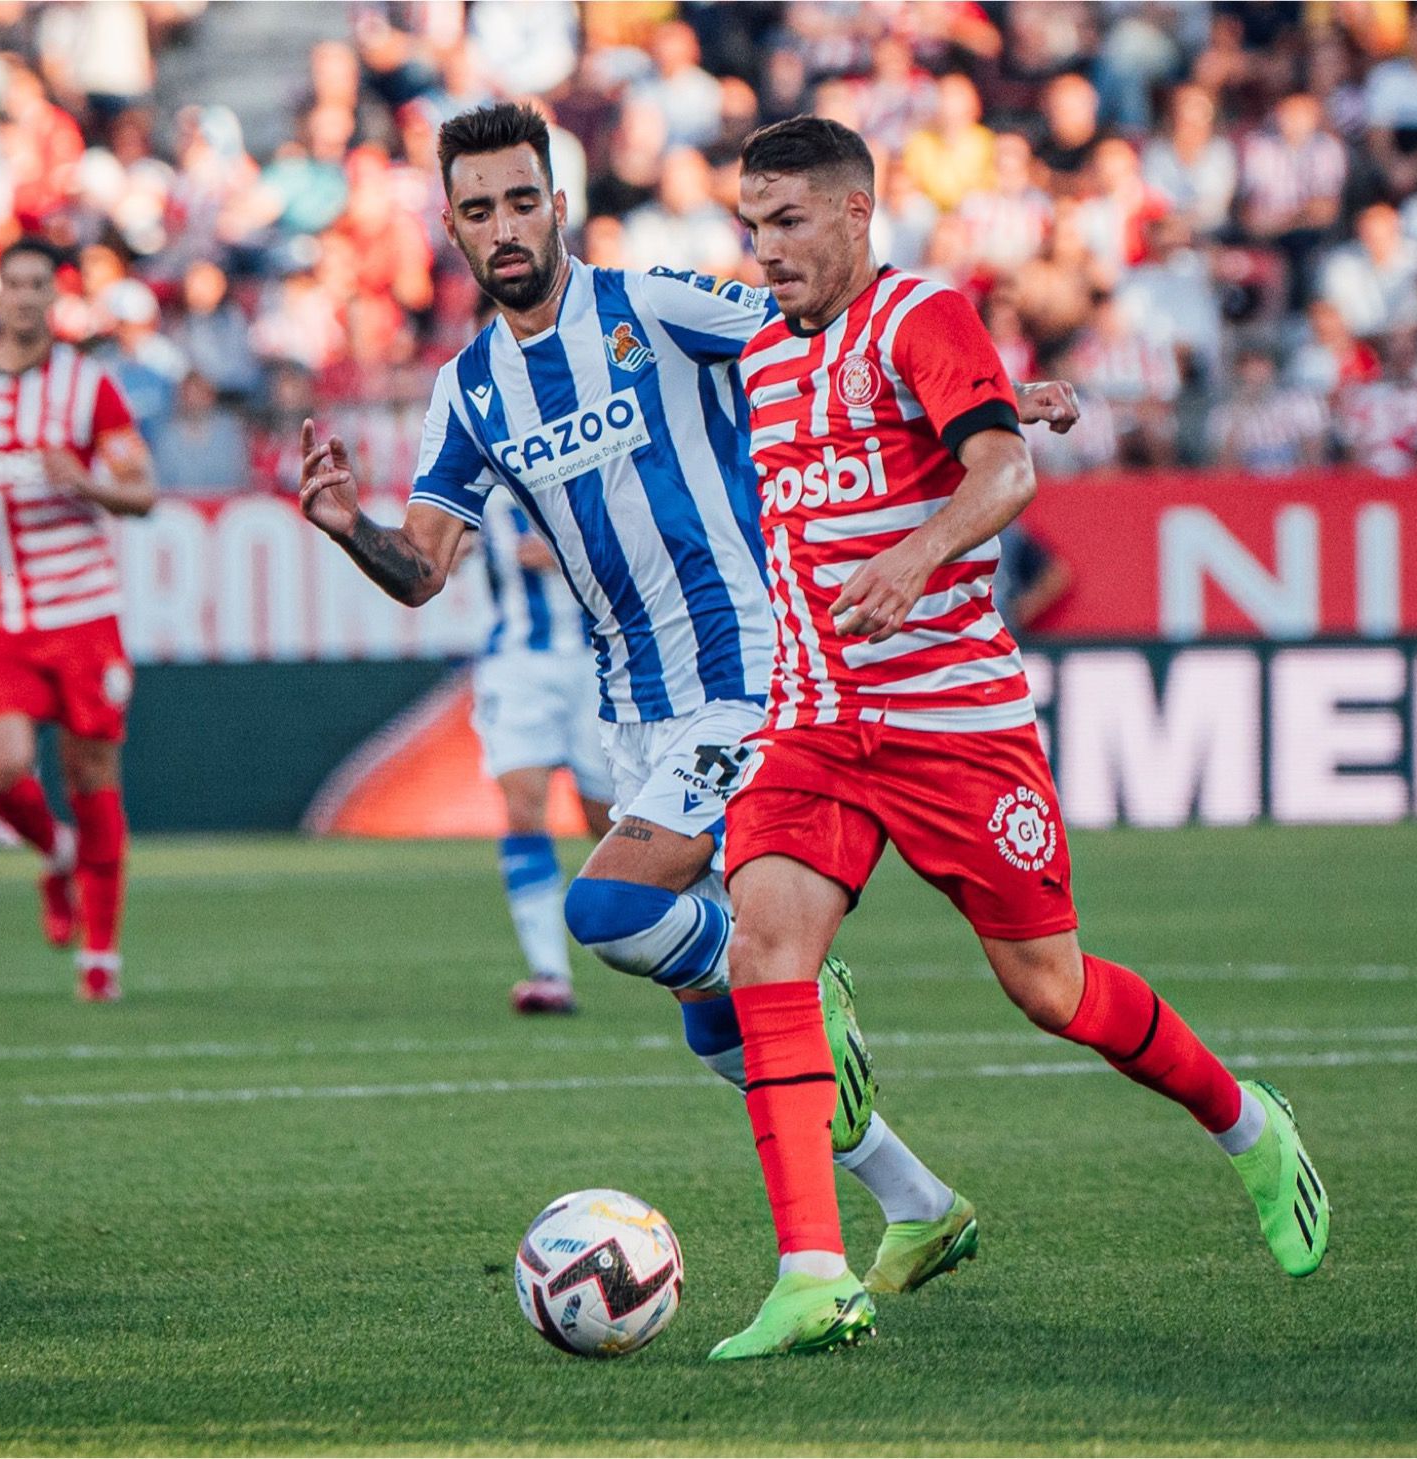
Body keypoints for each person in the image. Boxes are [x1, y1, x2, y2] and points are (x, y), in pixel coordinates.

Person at [294, 103, 1069, 1293]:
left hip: (751, 672)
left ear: (558, 203)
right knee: (714, 1028)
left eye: (520, 199)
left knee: (604, 915)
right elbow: (422, 568)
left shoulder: (652, 305)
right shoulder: (469, 393)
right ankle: (919, 1203)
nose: (503, 226)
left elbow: (833, 329)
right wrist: (350, 526)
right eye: (476, 208)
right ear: (449, 228)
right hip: (636, 714)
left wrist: (1000, 394)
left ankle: (798, 976)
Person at [710, 117, 1330, 1361]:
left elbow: (1002, 478)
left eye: (786, 224)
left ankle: (1245, 1125)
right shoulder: (762, 357)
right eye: (749, 225)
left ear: (852, 215)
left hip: (957, 732)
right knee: (762, 954)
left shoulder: (918, 315)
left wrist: (916, 549)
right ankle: (810, 1275)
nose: (764, 251)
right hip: (818, 724)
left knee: (1052, 991)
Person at [0, 237, 158, 1001]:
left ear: (54, 299)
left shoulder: (90, 389)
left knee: (94, 779)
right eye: (12, 285)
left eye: (36, 286)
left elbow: (143, 491)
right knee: (1, 769)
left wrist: (85, 482)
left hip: (83, 614)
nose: (23, 299)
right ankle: (55, 858)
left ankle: (103, 957)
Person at [470, 485, 615, 1014]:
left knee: (610, 818)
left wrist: (569, 553)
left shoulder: (584, 456)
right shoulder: (477, 466)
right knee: (522, 807)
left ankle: (706, 928)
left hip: (596, 660)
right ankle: (550, 973)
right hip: (516, 662)